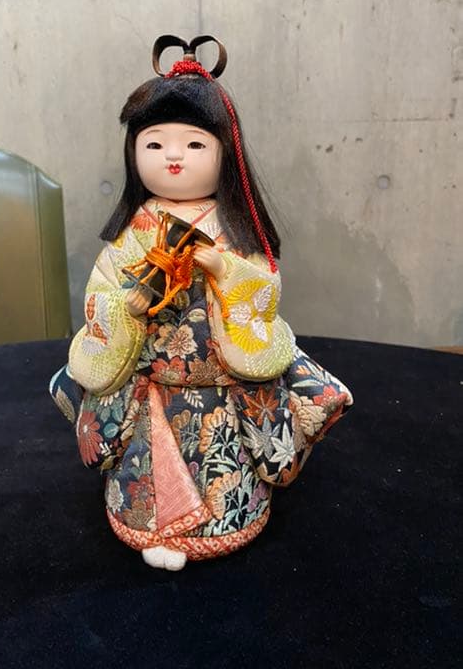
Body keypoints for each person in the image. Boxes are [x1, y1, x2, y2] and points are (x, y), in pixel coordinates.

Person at [50, 35, 353, 571]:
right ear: (133, 153)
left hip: (220, 391)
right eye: (154, 144)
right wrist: (126, 308)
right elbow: (100, 295)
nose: (173, 156)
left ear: (224, 154)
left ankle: (227, 521)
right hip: (153, 384)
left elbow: (263, 290)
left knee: (220, 466)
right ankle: (150, 527)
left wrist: (224, 269)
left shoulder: (233, 230)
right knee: (151, 462)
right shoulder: (133, 234)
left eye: (193, 144)